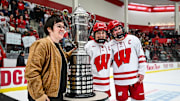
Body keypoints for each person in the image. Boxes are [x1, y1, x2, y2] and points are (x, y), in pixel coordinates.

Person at [25, 15, 76, 101]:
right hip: (45, 97)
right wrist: (39, 95)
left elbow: (61, 60)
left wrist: (75, 51)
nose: (62, 29)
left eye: (63, 27)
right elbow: (31, 71)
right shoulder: (42, 44)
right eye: (59, 26)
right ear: (49, 29)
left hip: (57, 95)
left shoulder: (58, 46)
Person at [108, 20, 147, 101]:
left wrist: (142, 72)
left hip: (135, 79)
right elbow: (108, 62)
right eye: (115, 30)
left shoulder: (133, 39)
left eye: (119, 28)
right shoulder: (110, 45)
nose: (118, 31)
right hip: (120, 81)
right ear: (111, 33)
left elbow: (141, 56)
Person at [84, 22, 113, 97]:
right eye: (98, 33)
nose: (101, 35)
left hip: (106, 85)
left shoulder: (109, 46)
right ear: (94, 34)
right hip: (93, 86)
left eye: (103, 33)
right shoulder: (88, 46)